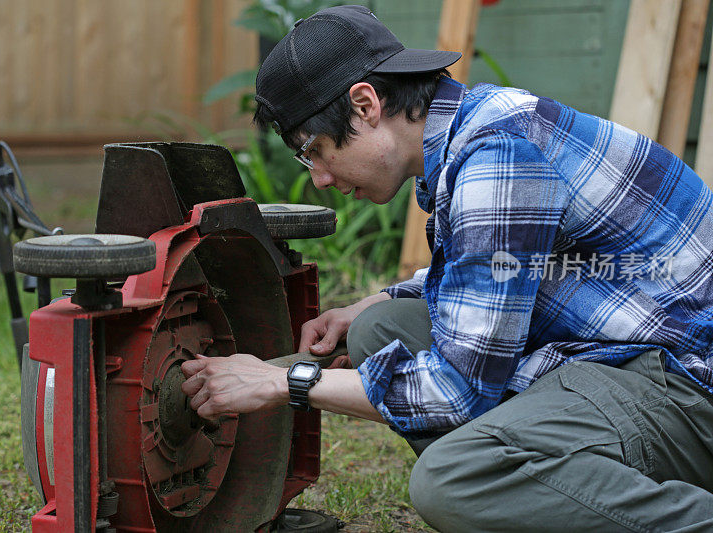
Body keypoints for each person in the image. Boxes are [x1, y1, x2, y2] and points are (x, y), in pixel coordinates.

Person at [181, 5, 713, 530]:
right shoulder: (473, 130)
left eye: (316, 150)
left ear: (364, 104)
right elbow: (500, 266)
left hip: (688, 388)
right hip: (631, 352)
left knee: (455, 478)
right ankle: (559, 493)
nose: (319, 177)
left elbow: (456, 390)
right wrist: (378, 300)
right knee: (381, 329)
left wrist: (286, 382)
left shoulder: (497, 159)